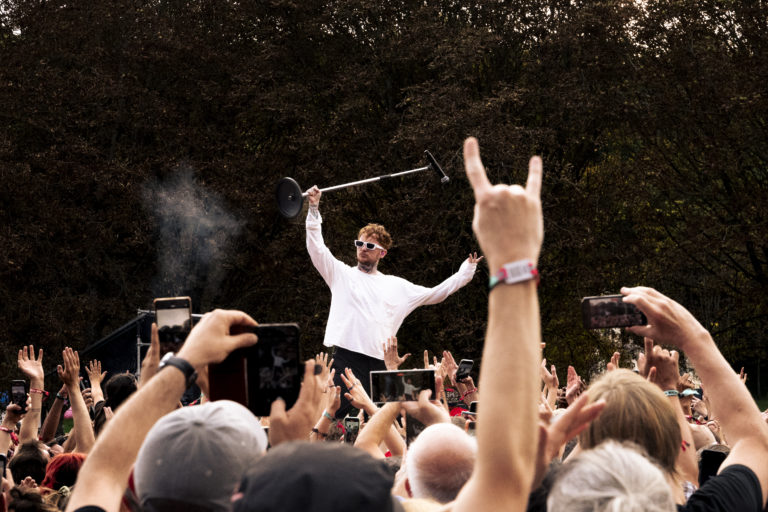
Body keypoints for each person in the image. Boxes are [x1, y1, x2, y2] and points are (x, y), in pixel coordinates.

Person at [305, 185, 482, 417]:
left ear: (382, 253)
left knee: (389, 421)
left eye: (370, 246)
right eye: (359, 244)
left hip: (381, 364)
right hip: (346, 359)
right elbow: (317, 249)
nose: (363, 249)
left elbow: (436, 293)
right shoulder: (341, 274)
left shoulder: (398, 286)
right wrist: (313, 208)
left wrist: (465, 271)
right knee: (337, 417)